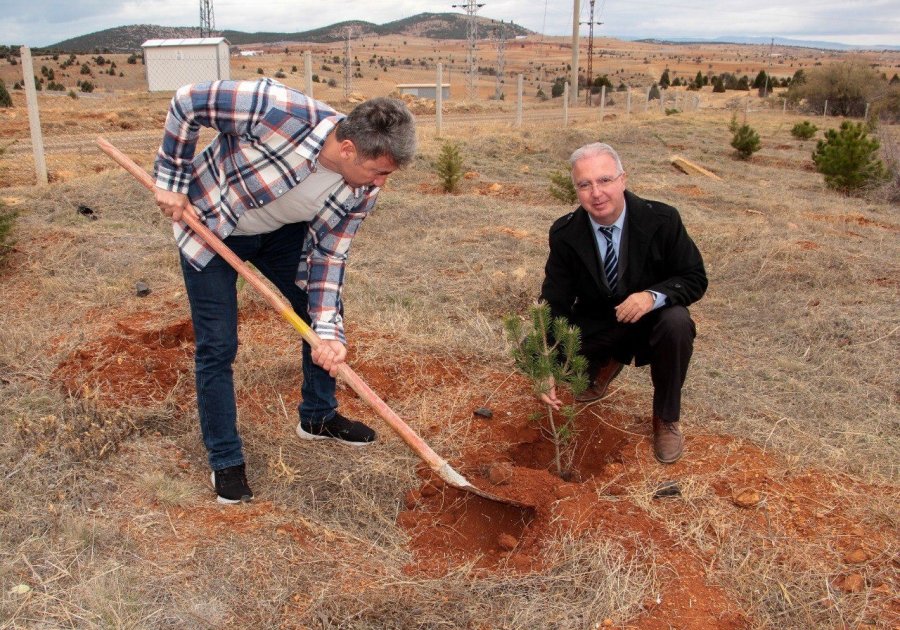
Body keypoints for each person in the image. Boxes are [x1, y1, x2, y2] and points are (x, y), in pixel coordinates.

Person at [153, 78, 416, 503]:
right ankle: (225, 459)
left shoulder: (363, 189)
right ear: (348, 149)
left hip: (279, 233)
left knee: (320, 314)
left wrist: (328, 332)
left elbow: (329, 258)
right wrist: (171, 179)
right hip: (212, 226)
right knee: (218, 344)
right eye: (379, 171)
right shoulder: (276, 110)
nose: (382, 184)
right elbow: (186, 101)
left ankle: (317, 416)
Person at [539, 142, 707, 464]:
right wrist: (545, 362)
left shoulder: (663, 220)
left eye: (604, 180)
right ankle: (606, 363)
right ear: (576, 189)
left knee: (677, 322)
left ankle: (666, 418)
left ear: (623, 180)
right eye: (584, 184)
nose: (596, 193)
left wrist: (651, 297)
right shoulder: (565, 233)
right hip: (599, 322)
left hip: (652, 320)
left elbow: (694, 277)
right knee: (569, 355)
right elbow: (553, 299)